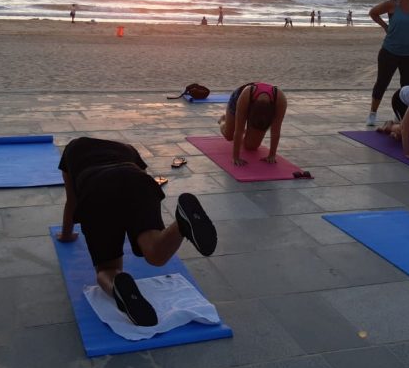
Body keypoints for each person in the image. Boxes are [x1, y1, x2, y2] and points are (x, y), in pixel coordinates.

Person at [56, 137, 217, 327]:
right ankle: (181, 223)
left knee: (107, 269)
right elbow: (139, 193)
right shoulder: (128, 149)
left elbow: (72, 201)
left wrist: (66, 235)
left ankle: (117, 284)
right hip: (138, 180)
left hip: (97, 186)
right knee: (155, 254)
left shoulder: (72, 148)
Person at [218, 82, 288, 167]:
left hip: (260, 109)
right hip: (239, 100)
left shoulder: (280, 99)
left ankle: (248, 132)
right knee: (229, 135)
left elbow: (276, 131)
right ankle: (223, 120)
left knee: (251, 146)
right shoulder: (245, 96)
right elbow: (239, 130)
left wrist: (272, 155)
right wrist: (236, 157)